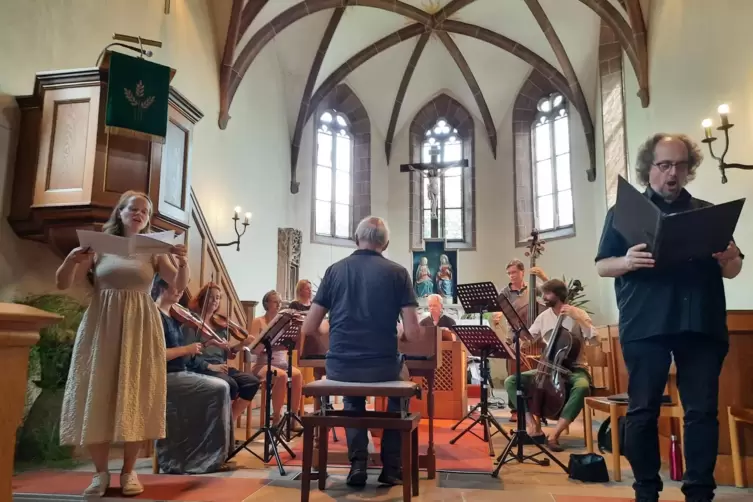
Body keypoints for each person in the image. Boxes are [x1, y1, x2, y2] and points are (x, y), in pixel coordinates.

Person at [595, 134, 743, 502]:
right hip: (646, 325)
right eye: (664, 165)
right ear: (649, 168)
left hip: (701, 324)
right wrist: (627, 261)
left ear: (689, 169)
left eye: (680, 165)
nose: (672, 173)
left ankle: (699, 492)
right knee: (643, 412)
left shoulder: (708, 212)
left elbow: (733, 269)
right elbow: (602, 265)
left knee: (702, 413)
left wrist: (731, 258)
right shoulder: (624, 213)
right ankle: (646, 489)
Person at [56, 190, 189, 497]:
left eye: (145, 211)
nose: (139, 213)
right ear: (121, 212)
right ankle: (100, 474)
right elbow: (63, 282)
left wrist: (182, 262)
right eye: (134, 208)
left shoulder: (153, 248)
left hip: (140, 325)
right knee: (96, 390)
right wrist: (70, 258)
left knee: (137, 393)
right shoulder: (100, 244)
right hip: (102, 322)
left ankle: (129, 472)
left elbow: (179, 285)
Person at [302, 215, 420, 487]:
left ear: (357, 239)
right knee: (401, 388)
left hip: (341, 366)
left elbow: (310, 327)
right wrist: (399, 331)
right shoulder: (398, 273)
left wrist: (333, 327)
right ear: (386, 242)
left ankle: (358, 463)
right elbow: (413, 333)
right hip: (383, 366)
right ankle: (391, 466)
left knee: (352, 398)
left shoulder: (334, 271)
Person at [503, 279, 596, 452]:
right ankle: (533, 426)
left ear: (559, 295)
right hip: (547, 368)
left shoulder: (578, 313)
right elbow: (530, 337)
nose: (544, 297)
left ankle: (555, 434)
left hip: (574, 368)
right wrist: (521, 341)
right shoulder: (544, 316)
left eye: (548, 294)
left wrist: (580, 320)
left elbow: (595, 340)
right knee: (511, 381)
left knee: (583, 387)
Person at [152, 278, 234, 474]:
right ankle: (207, 459)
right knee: (220, 387)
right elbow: (155, 355)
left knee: (223, 386)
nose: (181, 290)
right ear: (162, 287)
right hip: (165, 376)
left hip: (181, 373)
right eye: (176, 286)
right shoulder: (153, 315)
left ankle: (213, 455)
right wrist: (186, 349)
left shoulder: (173, 315)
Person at [183, 283, 260, 424]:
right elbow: (188, 355)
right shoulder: (191, 322)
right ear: (202, 299)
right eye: (210, 297)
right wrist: (210, 366)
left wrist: (240, 345)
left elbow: (229, 354)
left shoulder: (220, 325)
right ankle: (217, 424)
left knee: (251, 382)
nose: (214, 301)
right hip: (202, 367)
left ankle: (229, 421)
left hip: (221, 367)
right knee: (231, 384)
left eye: (217, 298)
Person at [493, 259, 548, 422]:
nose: (511, 276)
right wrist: (498, 314)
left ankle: (538, 405)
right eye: (509, 273)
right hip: (515, 333)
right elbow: (499, 308)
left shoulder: (534, 287)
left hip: (536, 335)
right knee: (513, 369)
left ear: (522, 272)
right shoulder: (505, 291)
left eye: (514, 272)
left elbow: (551, 293)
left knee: (539, 371)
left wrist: (545, 278)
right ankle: (515, 409)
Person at [249, 290, 303, 428]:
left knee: (297, 375)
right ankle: (276, 418)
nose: (279, 304)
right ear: (267, 303)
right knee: (281, 376)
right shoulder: (258, 321)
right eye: (275, 301)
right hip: (262, 364)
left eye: (280, 301)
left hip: (282, 362)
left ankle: (293, 416)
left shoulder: (284, 323)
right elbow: (253, 346)